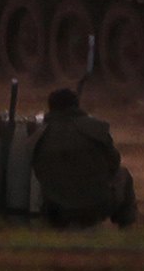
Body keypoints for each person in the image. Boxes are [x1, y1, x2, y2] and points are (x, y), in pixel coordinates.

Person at [28, 88, 137, 229]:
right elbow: (114, 163)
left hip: (56, 209)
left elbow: (36, 170)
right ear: (76, 105)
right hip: (98, 206)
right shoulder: (96, 129)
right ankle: (126, 228)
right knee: (124, 175)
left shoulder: (38, 135)